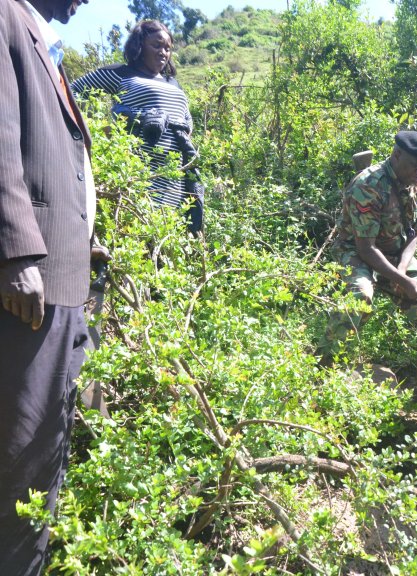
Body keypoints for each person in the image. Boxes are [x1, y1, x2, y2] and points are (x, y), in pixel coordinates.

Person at [0, 0, 95, 573]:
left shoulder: (40, 36)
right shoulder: (5, 14)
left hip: (60, 276)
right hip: (29, 284)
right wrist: (14, 249)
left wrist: (82, 240)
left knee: (45, 447)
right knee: (25, 457)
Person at [320, 131, 417, 362]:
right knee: (360, 296)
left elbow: (412, 235)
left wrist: (401, 272)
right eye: (414, 166)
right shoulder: (368, 186)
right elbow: (365, 249)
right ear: (397, 155)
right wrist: (402, 281)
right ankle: (326, 363)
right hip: (356, 251)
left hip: (395, 252)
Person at [72, 19, 203, 233]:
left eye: (168, 48)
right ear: (140, 45)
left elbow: (187, 119)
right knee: (137, 234)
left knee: (171, 240)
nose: (163, 52)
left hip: (174, 179)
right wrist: (103, 130)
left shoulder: (173, 84)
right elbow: (69, 93)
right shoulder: (121, 74)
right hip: (139, 177)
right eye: (157, 45)